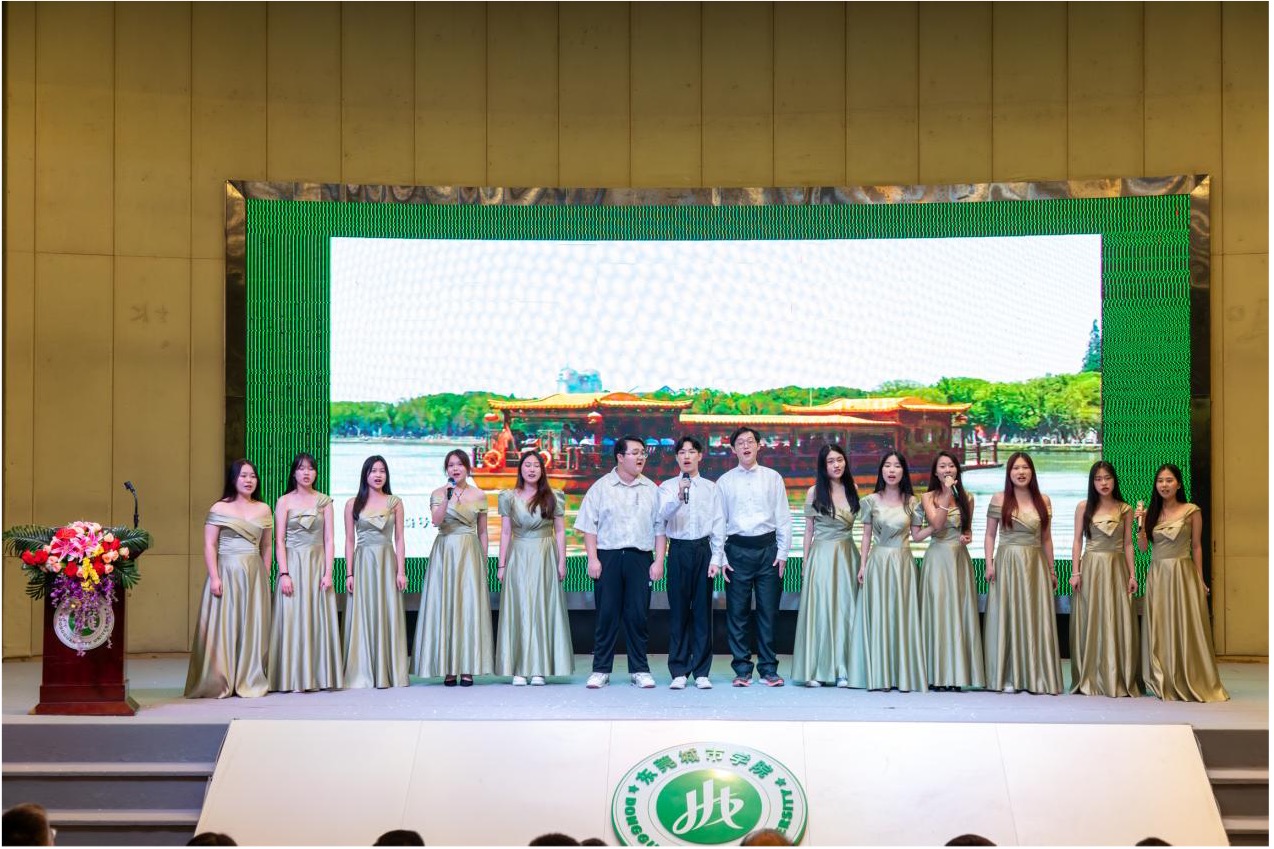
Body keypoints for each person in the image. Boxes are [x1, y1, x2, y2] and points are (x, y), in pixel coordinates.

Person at [575, 435, 666, 688]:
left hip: (640, 558)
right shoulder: (601, 488)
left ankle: (640, 669)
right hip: (608, 557)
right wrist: (592, 559)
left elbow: (660, 529)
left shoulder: (651, 489)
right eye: (635, 453)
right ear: (620, 457)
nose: (641, 457)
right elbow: (589, 526)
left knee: (638, 615)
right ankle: (601, 669)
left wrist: (659, 561)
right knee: (607, 614)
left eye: (643, 453)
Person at [1135, 463, 1228, 701]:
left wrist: (1200, 579)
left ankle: (1189, 676)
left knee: (1185, 624)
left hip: (1182, 572)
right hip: (1158, 574)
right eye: (1160, 481)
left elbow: (1196, 547)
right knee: (1160, 625)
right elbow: (1143, 549)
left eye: (1169, 480)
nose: (1164, 485)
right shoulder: (1151, 513)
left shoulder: (1191, 510)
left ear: (1178, 484)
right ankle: (1163, 677)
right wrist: (1140, 526)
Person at [185, 459, 272, 698]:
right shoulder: (219, 508)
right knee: (224, 627)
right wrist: (214, 577)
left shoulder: (264, 509)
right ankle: (219, 680)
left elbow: (267, 546)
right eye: (243, 475)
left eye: (252, 476)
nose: (248, 480)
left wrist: (264, 574)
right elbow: (210, 545)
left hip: (254, 574)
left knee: (252, 626)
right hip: (226, 572)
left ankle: (249, 677)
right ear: (233, 479)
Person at [715, 427, 792, 687]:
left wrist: (783, 553)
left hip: (768, 550)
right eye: (740, 443)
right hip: (736, 551)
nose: (746, 446)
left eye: (750, 441)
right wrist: (721, 557)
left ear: (759, 446)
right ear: (733, 449)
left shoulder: (773, 478)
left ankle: (769, 669)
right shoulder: (724, 482)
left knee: (768, 612)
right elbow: (719, 522)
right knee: (737, 613)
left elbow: (783, 517)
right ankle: (742, 670)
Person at [983, 451, 1063, 694]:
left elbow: (1046, 539)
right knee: (1007, 615)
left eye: (1025, 468)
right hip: (1007, 562)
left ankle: (1035, 676)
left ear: (1032, 472)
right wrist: (989, 564)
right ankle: (1007, 675)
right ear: (1009, 473)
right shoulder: (999, 499)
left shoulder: (1044, 500)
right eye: (1016, 468)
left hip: (1035, 564)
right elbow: (990, 535)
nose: (1020, 472)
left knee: (1034, 616)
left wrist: (1052, 569)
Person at [414, 450, 494, 686]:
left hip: (470, 552)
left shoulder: (479, 495)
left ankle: (467, 667)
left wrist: (483, 560)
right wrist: (447, 498)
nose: (455, 469)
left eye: (460, 464)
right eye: (451, 465)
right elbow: (436, 521)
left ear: (467, 468)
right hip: (445, 551)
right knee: (446, 606)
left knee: (468, 607)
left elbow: (483, 532)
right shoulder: (439, 493)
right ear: (446, 469)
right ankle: (448, 667)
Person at [495, 452, 574, 685]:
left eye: (536, 466)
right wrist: (501, 564)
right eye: (527, 465)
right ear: (520, 469)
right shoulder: (508, 497)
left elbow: (560, 531)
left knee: (542, 607)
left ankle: (540, 668)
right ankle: (519, 669)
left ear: (542, 470)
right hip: (518, 554)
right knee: (519, 607)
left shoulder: (553, 496)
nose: (531, 469)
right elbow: (505, 532)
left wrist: (561, 561)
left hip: (545, 553)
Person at [268, 452, 343, 693]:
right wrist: (284, 573)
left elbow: (329, 539)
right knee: (292, 618)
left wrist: (328, 572)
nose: (306, 473)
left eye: (311, 468)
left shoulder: (325, 502)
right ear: (294, 473)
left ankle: (318, 677)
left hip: (317, 564)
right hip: (292, 563)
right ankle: (290, 677)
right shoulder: (283, 501)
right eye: (301, 468)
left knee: (317, 618)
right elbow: (279, 541)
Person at [655, 435, 724, 690]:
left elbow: (718, 523)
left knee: (703, 613)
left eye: (691, 452)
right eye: (682, 452)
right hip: (678, 550)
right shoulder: (666, 487)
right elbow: (662, 516)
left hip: (703, 550)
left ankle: (702, 671)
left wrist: (716, 557)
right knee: (679, 612)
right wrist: (678, 494)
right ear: (676, 457)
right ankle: (679, 670)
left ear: (700, 456)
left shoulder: (711, 488)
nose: (687, 456)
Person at [854, 451, 926, 692]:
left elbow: (917, 535)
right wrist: (863, 564)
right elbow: (865, 536)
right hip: (878, 562)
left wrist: (938, 526)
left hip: (903, 563)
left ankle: (902, 675)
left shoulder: (913, 502)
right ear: (881, 470)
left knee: (901, 616)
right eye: (887, 465)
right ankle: (880, 674)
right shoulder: (870, 501)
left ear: (904, 471)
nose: (892, 470)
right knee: (880, 615)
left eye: (897, 466)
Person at [913, 451, 984, 692]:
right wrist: (945, 494)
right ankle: (936, 674)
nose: (947, 470)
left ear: (957, 470)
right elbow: (937, 524)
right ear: (935, 472)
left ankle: (957, 675)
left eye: (951, 466)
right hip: (937, 558)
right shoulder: (927, 497)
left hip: (959, 559)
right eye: (942, 466)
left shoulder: (968, 498)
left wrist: (967, 537)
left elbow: (967, 529)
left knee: (958, 613)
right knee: (938, 613)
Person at [791, 443, 860, 688]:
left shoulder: (853, 488)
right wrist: (805, 561)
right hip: (820, 556)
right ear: (823, 465)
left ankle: (844, 670)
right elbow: (808, 530)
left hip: (847, 555)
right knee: (820, 611)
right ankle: (815, 669)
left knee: (845, 611)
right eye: (831, 461)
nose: (836, 465)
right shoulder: (813, 492)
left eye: (839, 460)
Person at [1068, 460, 1139, 697]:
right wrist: (1075, 572)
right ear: (1092, 482)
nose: (1103, 483)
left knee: (1117, 618)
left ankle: (1117, 676)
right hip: (1091, 567)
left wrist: (1132, 574)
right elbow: (1077, 541)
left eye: (1107, 478)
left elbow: (1128, 544)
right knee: (1092, 618)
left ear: (1114, 480)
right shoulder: (1083, 507)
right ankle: (1091, 676)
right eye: (1098, 479)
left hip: (1116, 568)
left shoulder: (1125, 509)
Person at [343, 455, 410, 689]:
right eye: (373, 471)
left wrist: (401, 571)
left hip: (387, 561)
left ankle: (387, 671)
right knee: (363, 612)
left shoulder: (395, 502)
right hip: (363, 562)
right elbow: (349, 540)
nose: (378, 475)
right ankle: (363, 671)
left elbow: (400, 538)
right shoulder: (352, 504)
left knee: (387, 610)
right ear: (365, 475)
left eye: (382, 471)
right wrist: (349, 573)